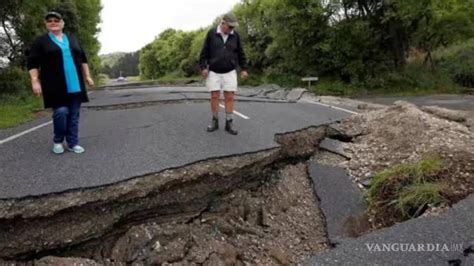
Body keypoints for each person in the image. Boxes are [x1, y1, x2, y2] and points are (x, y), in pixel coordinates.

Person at [27, 11, 94, 154]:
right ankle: (58, 140)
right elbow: (32, 62)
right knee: (61, 112)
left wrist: (87, 76)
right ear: (46, 24)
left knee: (74, 115)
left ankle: (73, 143)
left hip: (76, 83)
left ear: (62, 23)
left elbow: (83, 59)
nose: (53, 22)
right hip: (54, 85)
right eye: (49, 20)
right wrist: (35, 81)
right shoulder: (41, 41)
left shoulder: (72, 38)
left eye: (56, 20)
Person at [199, 13, 248, 135]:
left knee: (230, 96)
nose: (232, 29)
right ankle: (215, 121)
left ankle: (229, 123)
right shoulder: (211, 33)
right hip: (214, 71)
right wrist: (203, 67)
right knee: (215, 95)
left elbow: (241, 53)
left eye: (233, 27)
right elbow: (204, 52)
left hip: (230, 71)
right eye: (230, 27)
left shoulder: (235, 36)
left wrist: (244, 69)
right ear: (223, 23)